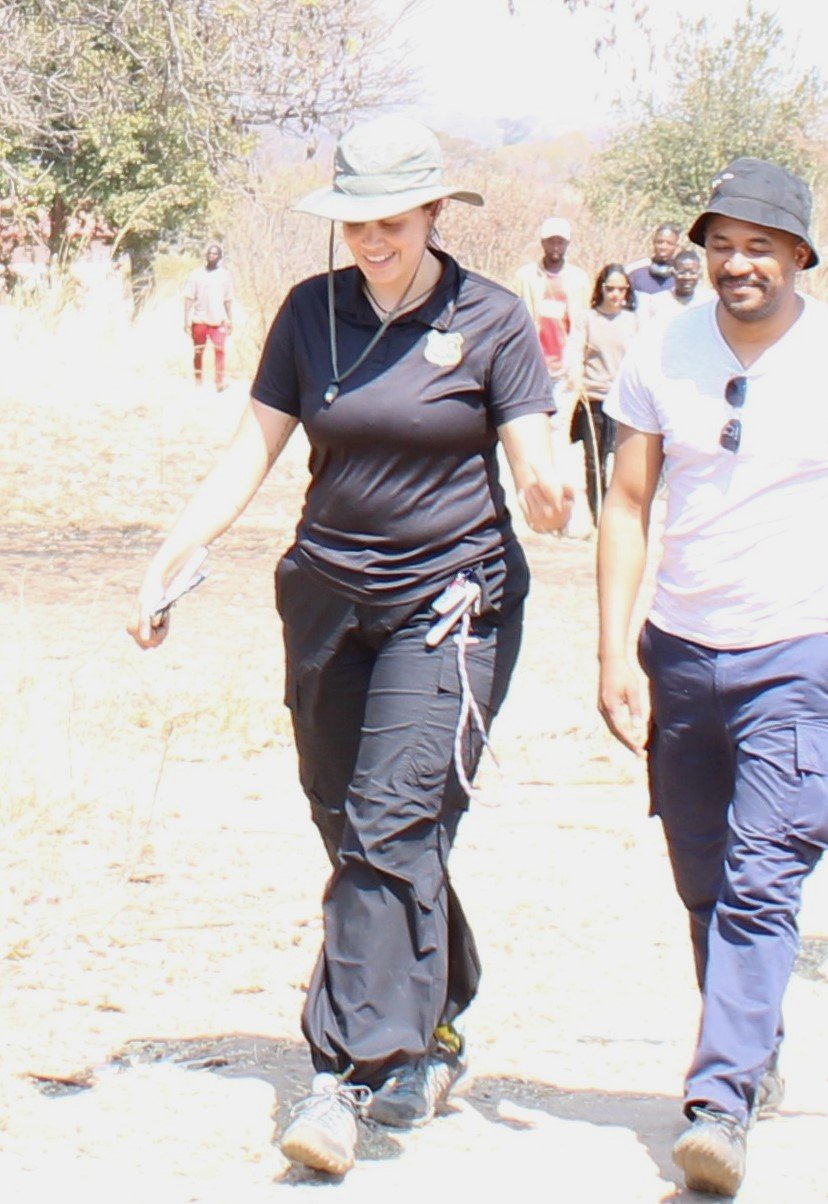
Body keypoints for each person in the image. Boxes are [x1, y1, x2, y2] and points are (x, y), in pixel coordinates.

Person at [128, 115, 571, 1177]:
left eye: (392, 223)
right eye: (357, 223)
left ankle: (344, 1077)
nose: (373, 241)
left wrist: (547, 488)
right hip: (327, 600)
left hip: (449, 605)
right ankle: (438, 1015)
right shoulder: (309, 313)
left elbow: (530, 447)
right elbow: (252, 450)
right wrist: (173, 553)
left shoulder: (492, 318)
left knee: (391, 818)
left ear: (433, 213)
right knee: (352, 822)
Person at [597, 158, 828, 1197]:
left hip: (799, 652)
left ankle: (717, 1103)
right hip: (682, 648)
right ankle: (752, 1044)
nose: (737, 263)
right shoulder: (662, 350)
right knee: (703, 879)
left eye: (759, 246)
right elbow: (627, 503)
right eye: (721, 245)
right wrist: (614, 648)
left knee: (765, 873)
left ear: (799, 253)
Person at [513, 216, 591, 535]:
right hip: (534, 366)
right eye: (551, 241)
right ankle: (535, 509)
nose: (555, 246)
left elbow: (581, 325)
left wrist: (577, 366)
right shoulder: (526, 277)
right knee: (533, 436)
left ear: (567, 244)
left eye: (560, 241)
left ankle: (563, 513)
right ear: (543, 243)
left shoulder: (578, 279)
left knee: (559, 439)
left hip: (565, 370)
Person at [574, 264, 640, 524]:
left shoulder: (633, 321)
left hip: (623, 401)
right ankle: (597, 516)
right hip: (592, 398)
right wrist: (575, 378)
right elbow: (575, 351)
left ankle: (617, 514)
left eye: (621, 289)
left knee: (618, 461)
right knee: (594, 460)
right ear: (601, 288)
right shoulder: (587, 318)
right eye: (610, 288)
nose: (615, 295)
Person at [183, 243, 234, 390]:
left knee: (220, 350)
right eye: (210, 253)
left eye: (215, 254)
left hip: (219, 320)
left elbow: (228, 300)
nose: (212, 256)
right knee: (198, 350)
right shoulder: (196, 275)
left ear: (220, 257)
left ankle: (219, 382)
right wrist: (186, 319)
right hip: (200, 319)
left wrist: (230, 319)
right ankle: (198, 379)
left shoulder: (224, 276)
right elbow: (188, 298)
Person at [638, 248, 711, 324]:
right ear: (673, 272)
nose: (687, 277)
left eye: (693, 273)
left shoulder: (708, 301)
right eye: (682, 272)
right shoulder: (658, 302)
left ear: (699, 273)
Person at [626, 222, 680, 295]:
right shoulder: (635, 270)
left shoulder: (682, 274)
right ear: (653, 243)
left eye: (669, 243)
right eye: (660, 242)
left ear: (676, 246)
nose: (663, 247)